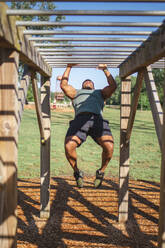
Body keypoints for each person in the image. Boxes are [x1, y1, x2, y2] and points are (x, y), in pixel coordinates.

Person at [60, 64, 117, 188]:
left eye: (90, 82)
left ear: (93, 86)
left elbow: (113, 86)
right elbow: (63, 85)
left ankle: (101, 172)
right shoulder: (76, 92)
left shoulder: (100, 93)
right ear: (82, 85)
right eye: (86, 81)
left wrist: (105, 70)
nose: (88, 82)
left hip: (97, 119)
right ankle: (77, 172)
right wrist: (69, 66)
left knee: (109, 146)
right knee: (69, 146)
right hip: (80, 119)